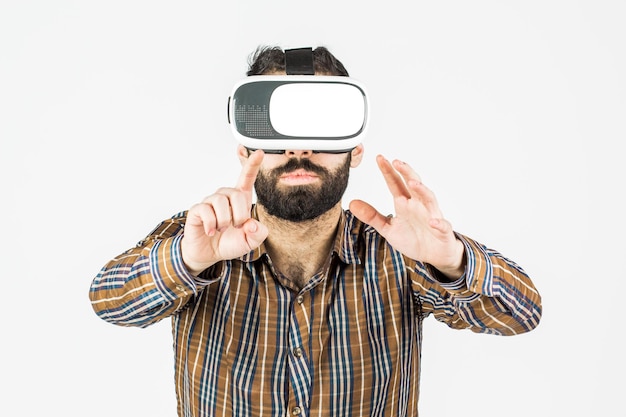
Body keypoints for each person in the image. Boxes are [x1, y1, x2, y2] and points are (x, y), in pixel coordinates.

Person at [89, 46, 542, 417]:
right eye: (275, 126)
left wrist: (452, 260)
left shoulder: (400, 252)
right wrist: (187, 263)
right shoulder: (201, 239)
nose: (299, 147)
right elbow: (107, 301)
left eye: (321, 125)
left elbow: (522, 314)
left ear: (355, 149)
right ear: (245, 146)